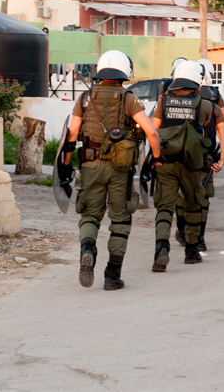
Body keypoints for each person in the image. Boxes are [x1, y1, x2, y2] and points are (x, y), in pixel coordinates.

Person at [61, 50, 162, 290]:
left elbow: (72, 134)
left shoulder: (84, 98)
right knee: (121, 219)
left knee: (90, 215)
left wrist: (66, 165)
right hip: (120, 168)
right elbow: (151, 132)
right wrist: (156, 157)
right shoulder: (129, 99)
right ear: (124, 72)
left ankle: (88, 248)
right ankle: (112, 275)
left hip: (90, 165)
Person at [151, 61, 222, 271]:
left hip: (166, 161)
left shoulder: (162, 103)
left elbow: (153, 131)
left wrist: (155, 156)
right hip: (192, 164)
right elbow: (208, 124)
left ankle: (161, 249)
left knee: (164, 207)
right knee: (193, 205)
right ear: (196, 84)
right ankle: (191, 252)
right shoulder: (205, 105)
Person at [174, 71, 224, 253]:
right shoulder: (212, 104)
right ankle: (200, 239)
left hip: (180, 157)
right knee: (202, 198)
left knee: (182, 197)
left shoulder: (173, 101)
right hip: (206, 157)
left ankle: (183, 232)